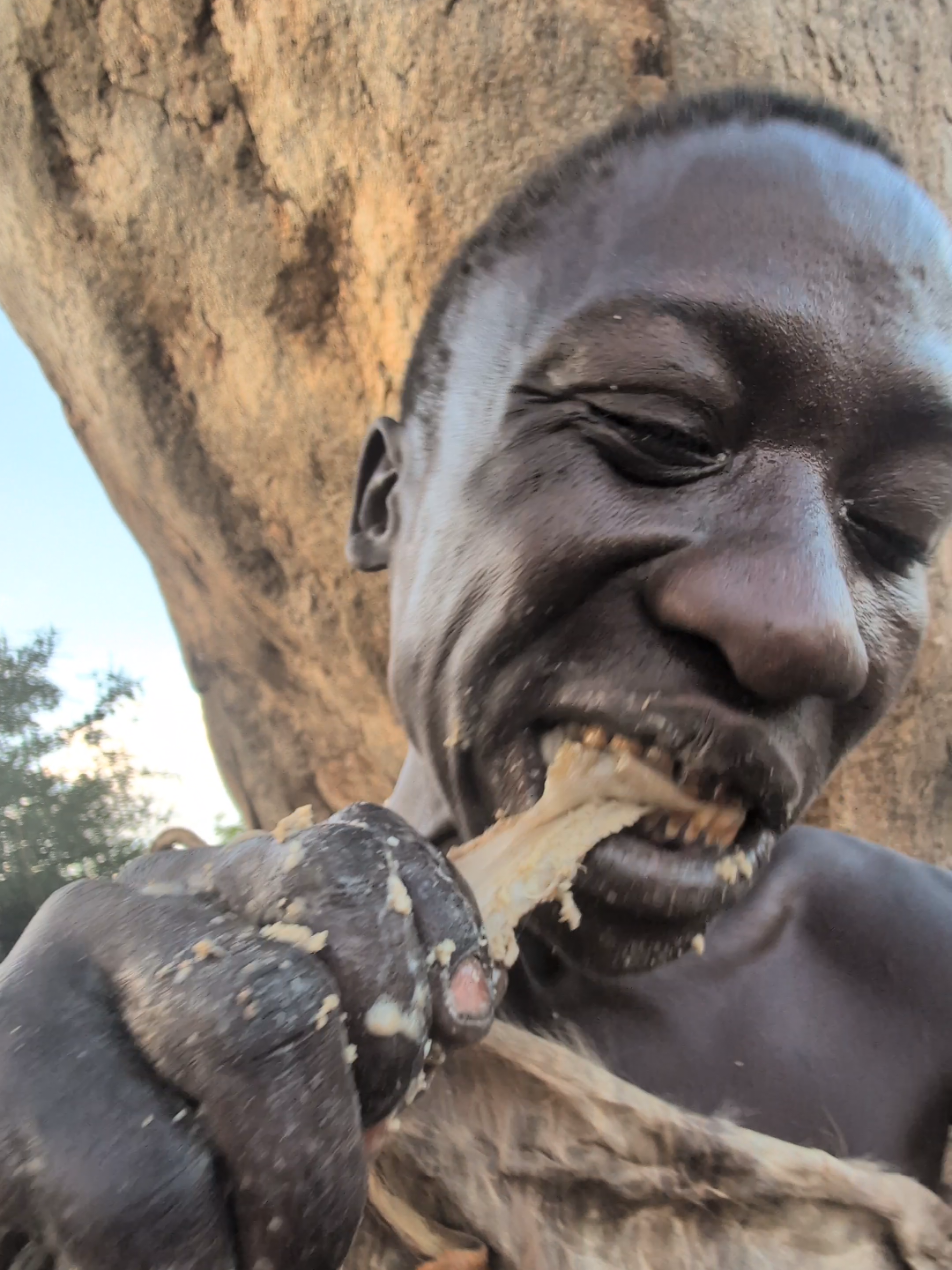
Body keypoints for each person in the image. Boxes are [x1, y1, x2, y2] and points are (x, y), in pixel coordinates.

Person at [3, 87, 952, 1270]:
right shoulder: (185, 1012)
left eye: (896, 529)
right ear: (385, 500)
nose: (813, 626)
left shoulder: (928, 983)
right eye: (655, 430)